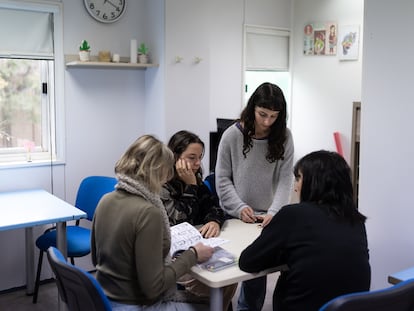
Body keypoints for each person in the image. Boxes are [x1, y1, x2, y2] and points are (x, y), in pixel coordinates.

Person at [91, 134, 214, 311]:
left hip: (104, 299)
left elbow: (96, 258)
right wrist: (193, 254)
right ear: (158, 171)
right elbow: (154, 288)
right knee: (213, 305)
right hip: (137, 303)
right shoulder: (149, 212)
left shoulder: (105, 199)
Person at [239, 150, 371, 311]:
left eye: (299, 178)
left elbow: (247, 261)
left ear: (315, 182)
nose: (295, 187)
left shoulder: (293, 214)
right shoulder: (355, 220)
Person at [215, 82, 294, 311]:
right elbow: (222, 179)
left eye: (273, 116)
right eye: (262, 114)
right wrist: (239, 207)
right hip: (237, 215)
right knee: (232, 268)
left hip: (268, 216)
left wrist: (274, 212)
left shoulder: (285, 137)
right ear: (252, 108)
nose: (267, 122)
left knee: (258, 274)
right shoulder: (231, 136)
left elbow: (285, 180)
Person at [160, 130, 236, 311]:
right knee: (222, 284)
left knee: (229, 276)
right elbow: (177, 222)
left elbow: (215, 207)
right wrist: (191, 187)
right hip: (173, 255)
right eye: (191, 157)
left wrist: (214, 221)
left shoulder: (196, 177)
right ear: (175, 156)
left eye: (200, 157)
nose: (197, 164)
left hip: (198, 247)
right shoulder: (162, 182)